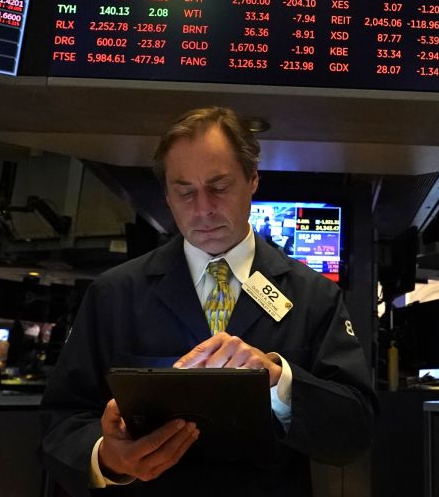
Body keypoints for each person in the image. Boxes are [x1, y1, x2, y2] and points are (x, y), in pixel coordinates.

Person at [39, 107, 375, 496]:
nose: (203, 210)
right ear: (167, 195)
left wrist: (279, 379)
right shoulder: (115, 292)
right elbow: (59, 422)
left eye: (219, 187)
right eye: (185, 192)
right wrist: (107, 458)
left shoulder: (313, 295)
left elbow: (355, 430)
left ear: (252, 180)